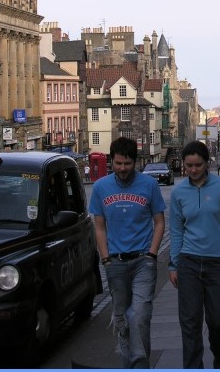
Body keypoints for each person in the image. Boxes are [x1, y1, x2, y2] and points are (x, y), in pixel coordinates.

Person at [89, 137, 166, 368]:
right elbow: (99, 227)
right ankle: (127, 365)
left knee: (140, 315)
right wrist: (106, 259)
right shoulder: (101, 187)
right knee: (122, 319)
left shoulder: (149, 185)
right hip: (115, 263)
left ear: (136, 162)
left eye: (128, 164)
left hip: (143, 260)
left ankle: (140, 365)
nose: (123, 169)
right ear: (112, 161)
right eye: (119, 163)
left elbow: (159, 222)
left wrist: (153, 254)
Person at [168, 140, 220, 369]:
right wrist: (173, 264)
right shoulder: (178, 192)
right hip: (188, 262)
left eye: (197, 165)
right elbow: (176, 230)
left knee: (218, 322)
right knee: (189, 323)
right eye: (188, 165)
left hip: (219, 263)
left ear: (206, 164)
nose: (192, 170)